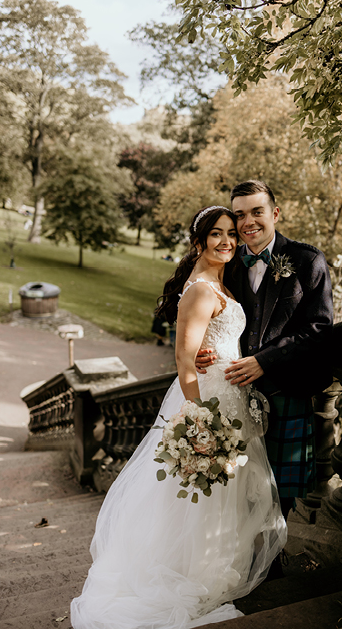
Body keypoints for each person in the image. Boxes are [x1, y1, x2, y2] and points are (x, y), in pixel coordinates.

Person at [71, 206, 286, 629]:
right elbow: (185, 362)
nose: (227, 241)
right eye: (217, 234)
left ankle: (213, 570)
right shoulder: (202, 290)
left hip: (230, 397)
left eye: (231, 234)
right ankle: (191, 576)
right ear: (200, 241)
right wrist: (201, 420)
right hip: (208, 402)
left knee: (222, 497)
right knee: (200, 498)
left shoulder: (221, 281)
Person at [198, 180, 334, 562]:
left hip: (286, 389)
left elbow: (320, 329)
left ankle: (270, 560)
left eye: (257, 212)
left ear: (275, 213)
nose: (248, 222)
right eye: (239, 214)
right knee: (237, 482)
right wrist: (197, 353)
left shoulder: (307, 260)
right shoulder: (226, 261)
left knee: (280, 488)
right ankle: (238, 558)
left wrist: (265, 360)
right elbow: (201, 310)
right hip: (234, 393)